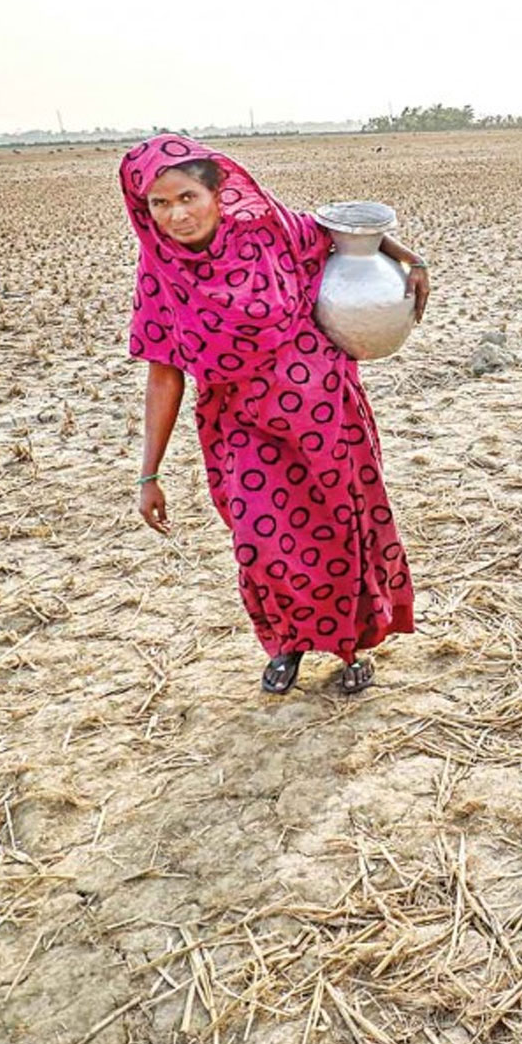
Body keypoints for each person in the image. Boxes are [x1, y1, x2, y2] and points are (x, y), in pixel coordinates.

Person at [123, 135, 423, 696]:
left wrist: (408, 258)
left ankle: (351, 646)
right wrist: (149, 474)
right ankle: (286, 642)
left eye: (187, 197)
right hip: (238, 424)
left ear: (216, 192)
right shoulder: (159, 271)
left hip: (325, 413)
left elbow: (347, 234)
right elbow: (164, 372)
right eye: (160, 204)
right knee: (263, 541)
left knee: (344, 529)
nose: (176, 215)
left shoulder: (269, 230)